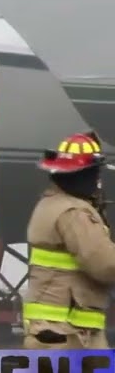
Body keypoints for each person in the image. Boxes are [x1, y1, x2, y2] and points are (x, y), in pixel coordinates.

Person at [23, 131, 115, 351]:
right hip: (66, 333)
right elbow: (105, 264)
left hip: (61, 331)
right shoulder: (73, 212)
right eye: (94, 174)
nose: (97, 181)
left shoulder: (51, 204)